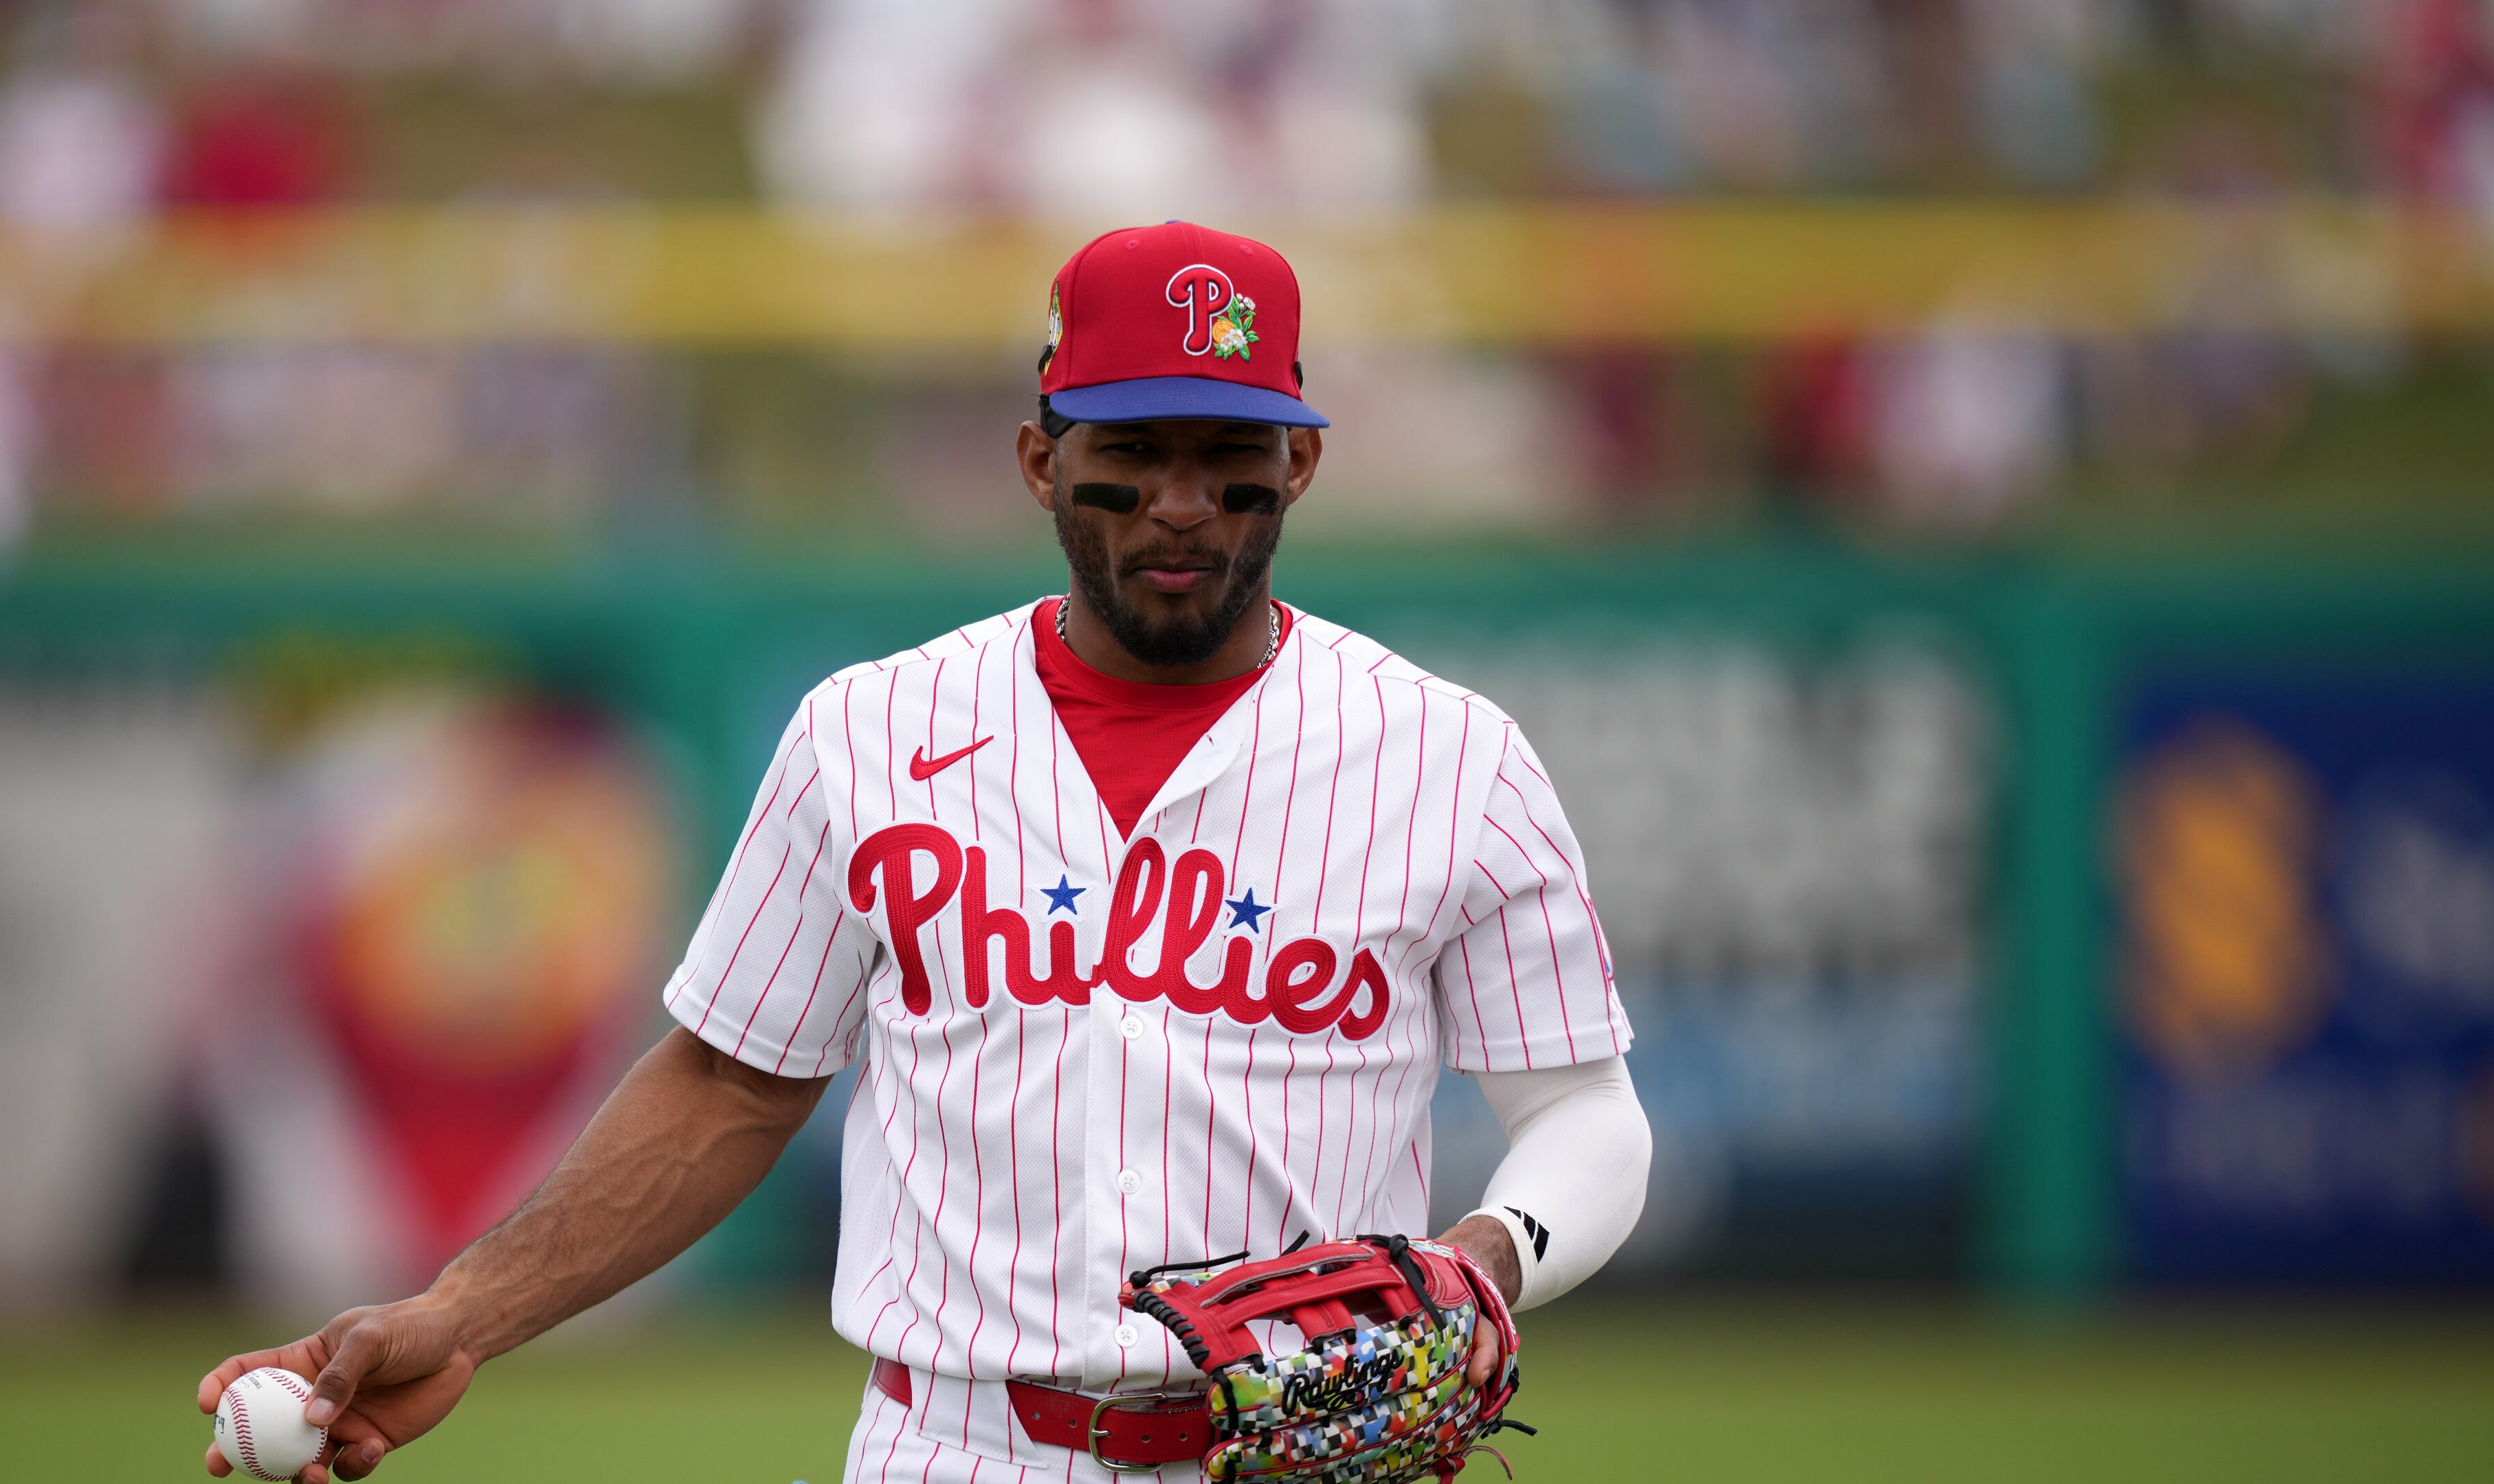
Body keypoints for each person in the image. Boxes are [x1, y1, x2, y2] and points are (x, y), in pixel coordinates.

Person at [197, 221, 1654, 1483]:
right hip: (953, 1445)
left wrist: (1485, 1261)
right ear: (1039, 458)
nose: (1181, 502)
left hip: (1290, 1449)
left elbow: (1588, 1112)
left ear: (1304, 462)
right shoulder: (871, 732)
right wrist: (460, 1316)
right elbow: (724, 1086)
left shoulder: (1452, 757)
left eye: (1230, 455)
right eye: (1132, 451)